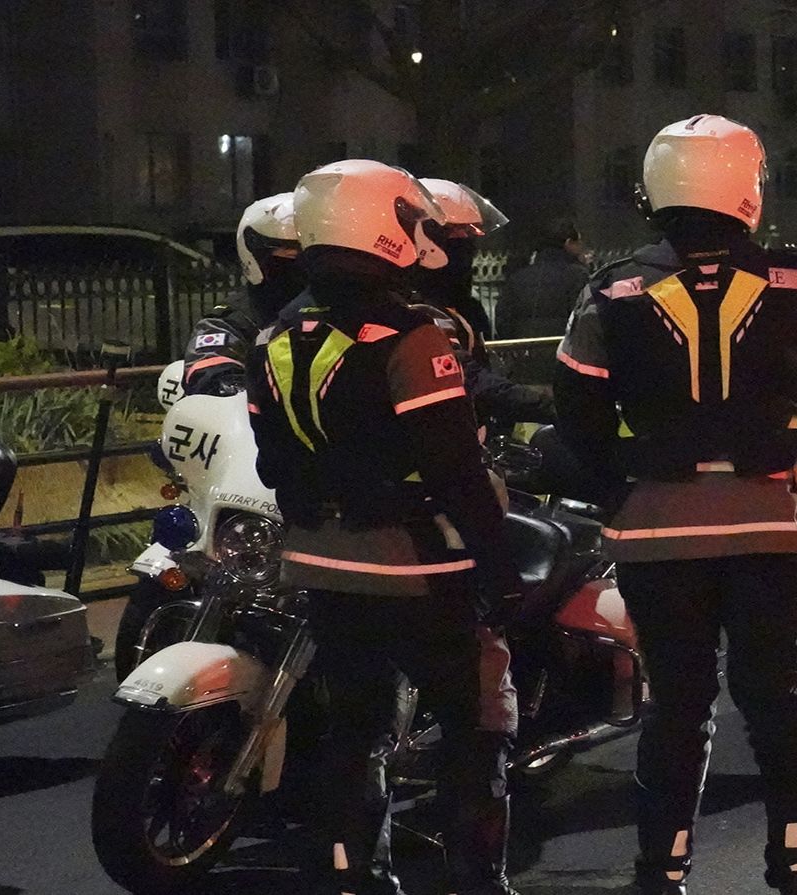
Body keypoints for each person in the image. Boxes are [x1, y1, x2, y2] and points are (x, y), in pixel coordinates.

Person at [552, 115, 797, 895]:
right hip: (764, 523)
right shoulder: (795, 278)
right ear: (746, 188)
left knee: (676, 708)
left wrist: (621, 478)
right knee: (780, 700)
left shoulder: (611, 287)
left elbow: (574, 407)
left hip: (655, 527)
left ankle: (663, 870)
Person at [244, 160, 520, 895]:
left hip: (320, 563)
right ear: (384, 225)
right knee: (479, 716)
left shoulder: (275, 334)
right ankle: (475, 879)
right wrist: (500, 566)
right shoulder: (412, 337)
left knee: (356, 726)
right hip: (416, 564)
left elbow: (273, 463)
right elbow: (456, 471)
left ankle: (353, 874)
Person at [415, 178, 554, 424]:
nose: (468, 254)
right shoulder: (417, 311)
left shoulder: (462, 306)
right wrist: (546, 405)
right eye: (458, 242)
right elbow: (467, 377)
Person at [181, 193, 306, 396]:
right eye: (291, 255)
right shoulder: (235, 320)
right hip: (264, 425)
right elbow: (210, 372)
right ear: (256, 256)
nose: (303, 266)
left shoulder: (339, 307)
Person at [497, 218, 590, 338]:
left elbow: (503, 317)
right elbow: (585, 318)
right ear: (568, 243)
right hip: (562, 347)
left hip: (524, 348)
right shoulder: (578, 275)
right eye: (578, 242)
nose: (581, 246)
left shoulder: (519, 277)